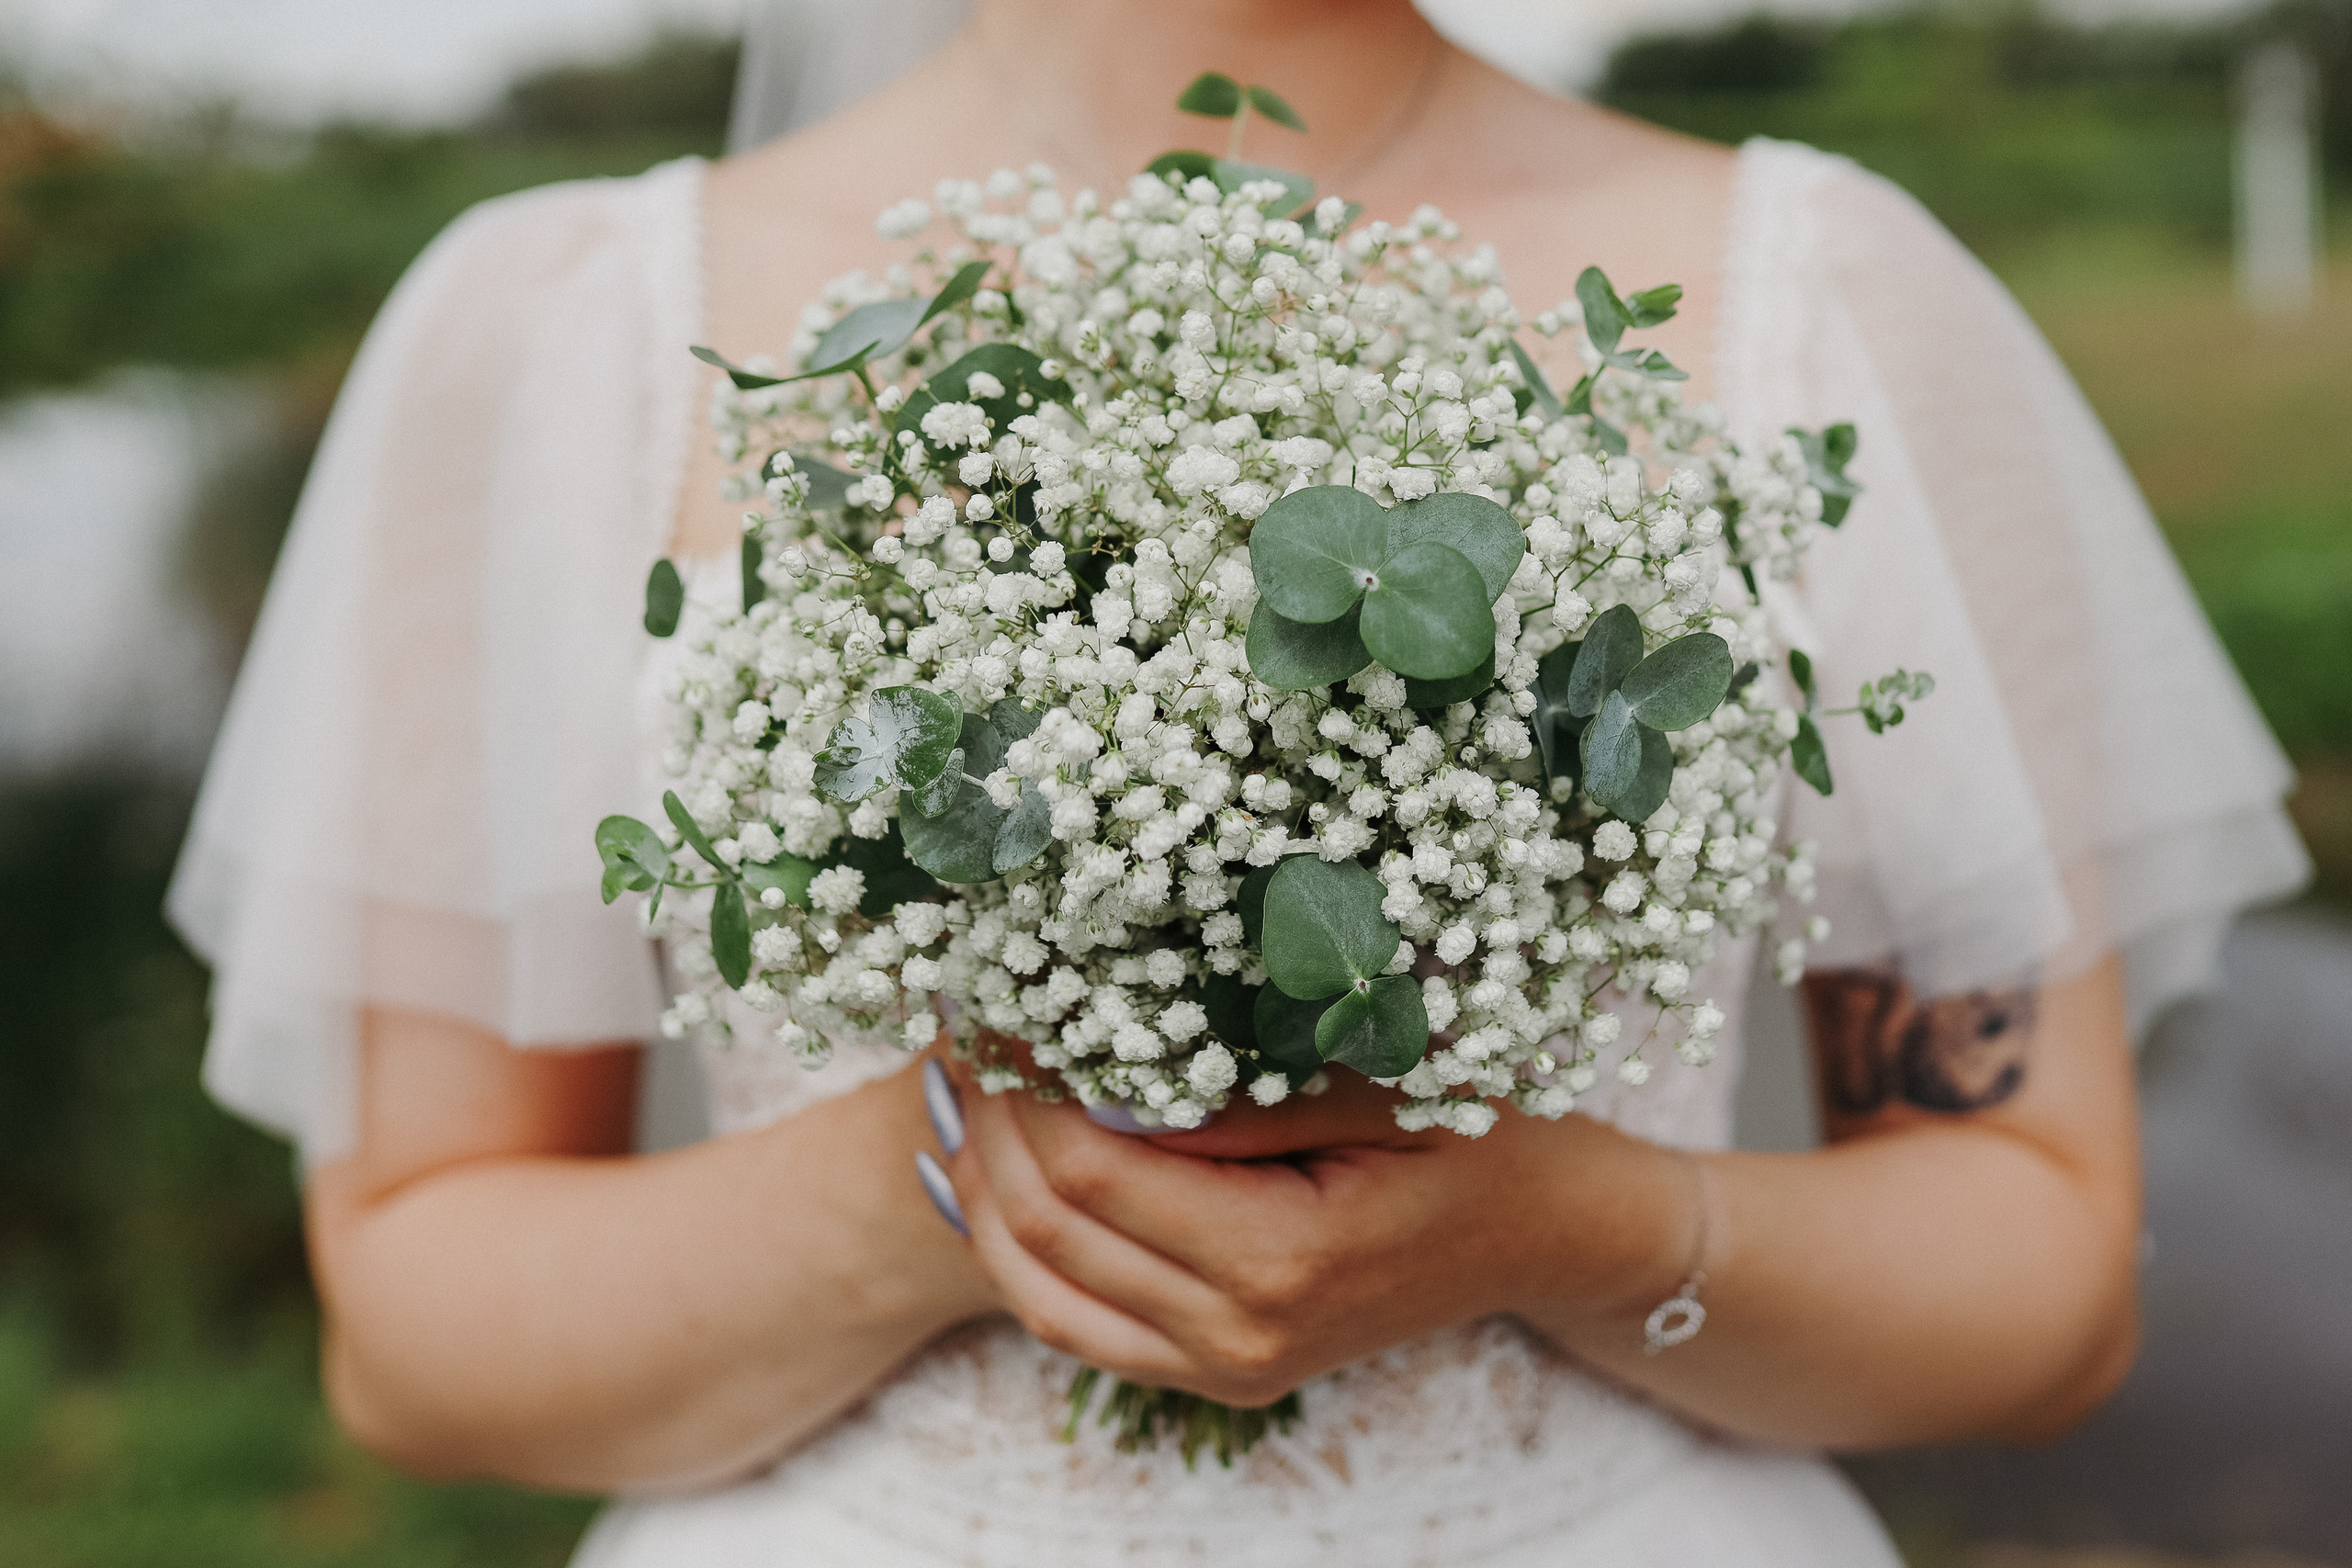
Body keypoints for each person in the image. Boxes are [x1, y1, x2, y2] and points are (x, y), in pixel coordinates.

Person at [167, 2, 2311, 1563]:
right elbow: (422, 1338)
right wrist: (939, 1189)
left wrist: (1549, 1221)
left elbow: (2038, 1277)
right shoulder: (558, 328)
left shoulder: (1829, 300)